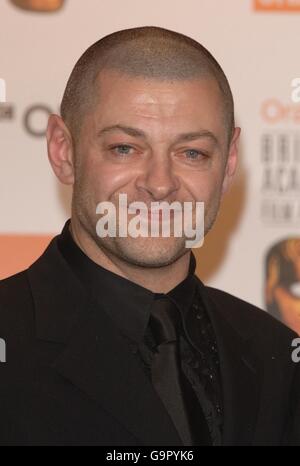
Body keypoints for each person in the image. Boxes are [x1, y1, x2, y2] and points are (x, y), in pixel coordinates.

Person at [0, 26, 298, 446]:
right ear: (63, 151)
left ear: (229, 164)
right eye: (125, 148)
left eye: (191, 152)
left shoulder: (278, 357)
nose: (160, 184)